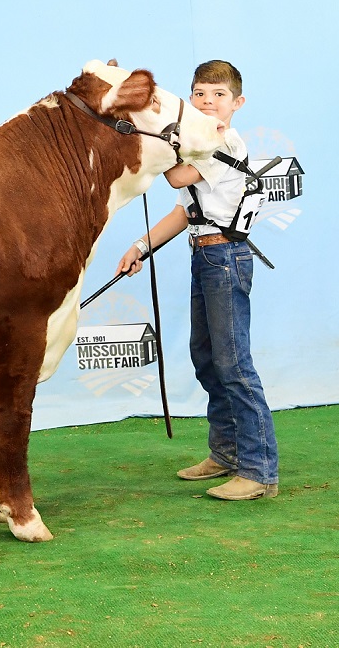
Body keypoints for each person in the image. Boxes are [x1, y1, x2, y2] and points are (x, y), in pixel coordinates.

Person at [116, 60, 278, 501]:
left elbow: (176, 178)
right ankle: (225, 453)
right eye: (200, 95)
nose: (208, 103)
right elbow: (184, 210)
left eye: (218, 96)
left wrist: (159, 143)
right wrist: (139, 248)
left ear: (237, 103)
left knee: (234, 364)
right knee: (206, 357)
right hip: (204, 255)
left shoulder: (223, 141)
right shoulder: (199, 144)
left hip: (225, 257)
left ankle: (259, 470)